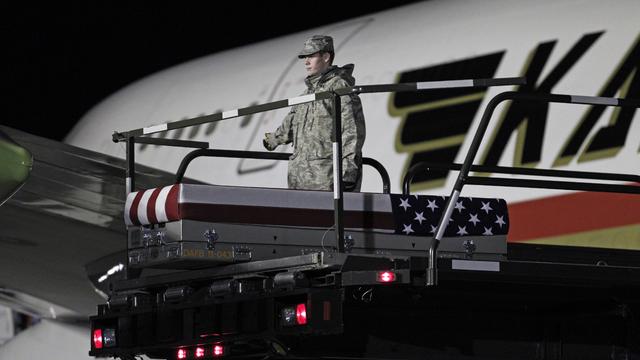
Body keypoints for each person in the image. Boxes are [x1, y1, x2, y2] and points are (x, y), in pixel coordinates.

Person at [263, 35, 366, 191]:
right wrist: (272, 140)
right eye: (305, 57)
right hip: (299, 180)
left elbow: (352, 131)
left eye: (311, 56)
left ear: (325, 57)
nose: (306, 61)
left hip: (327, 180)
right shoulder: (305, 96)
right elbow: (289, 127)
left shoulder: (339, 88)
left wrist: (347, 173)